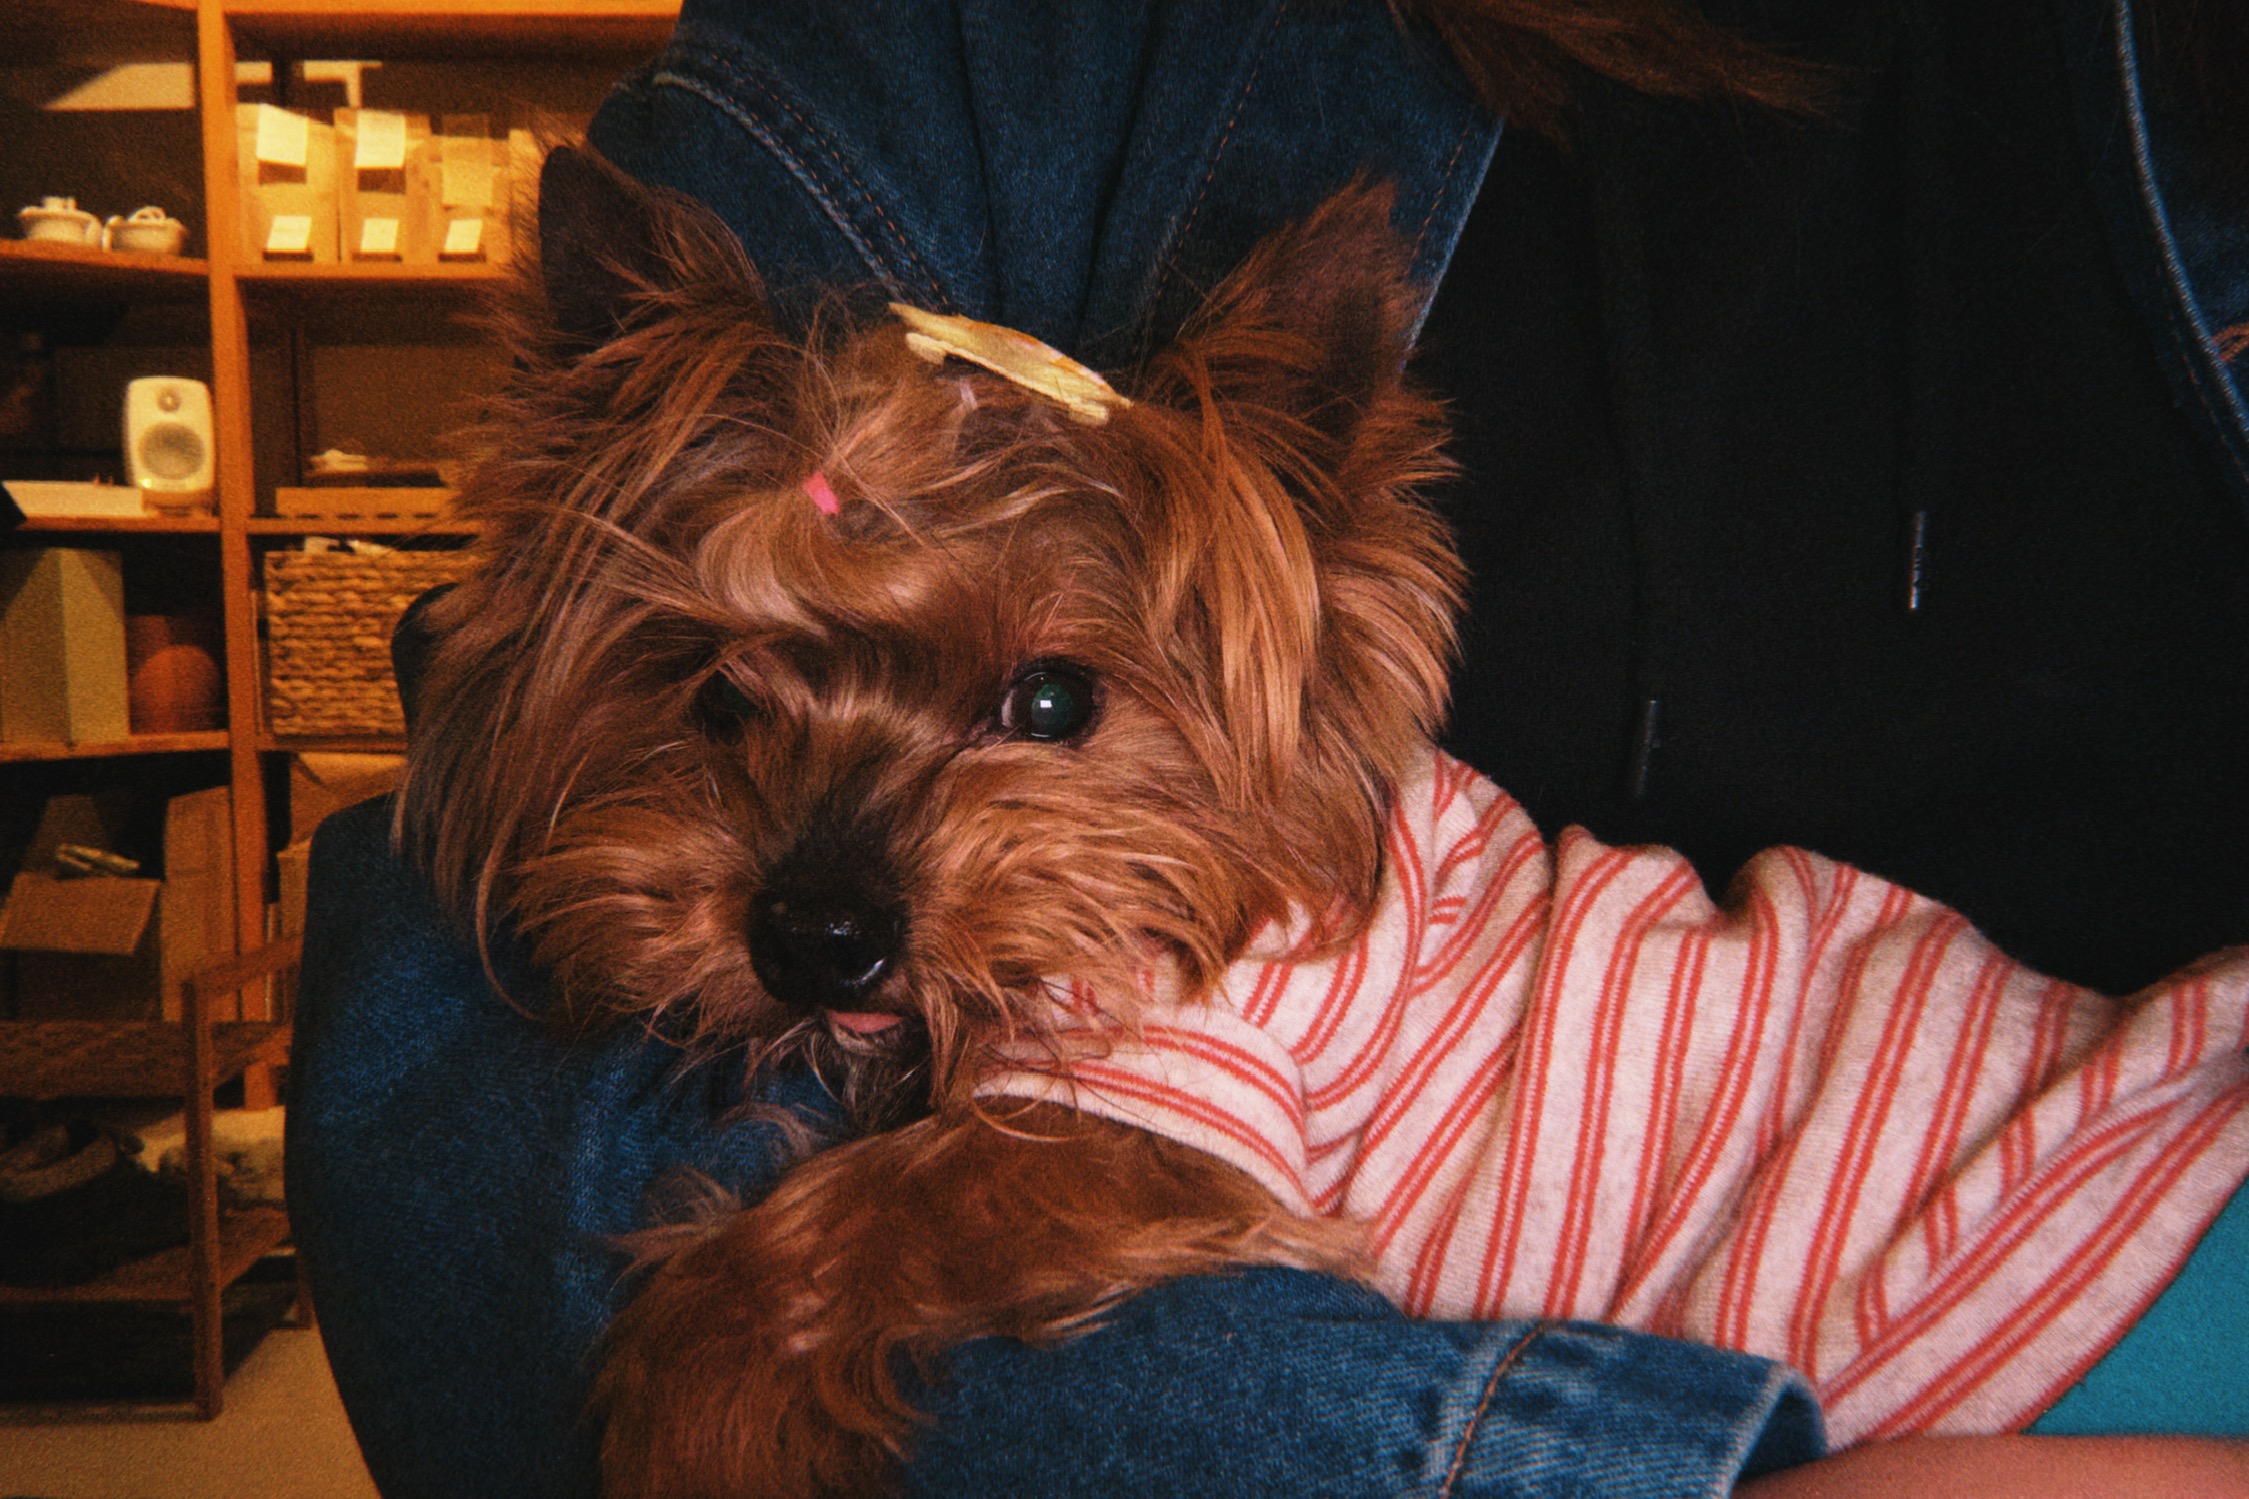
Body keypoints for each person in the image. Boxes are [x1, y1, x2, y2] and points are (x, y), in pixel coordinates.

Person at [287, 0, 2249, 1493]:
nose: (841, 875)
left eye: (1042, 708)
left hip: (2059, 1245)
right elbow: (438, 1068)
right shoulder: (964, 58)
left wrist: (769, 1307)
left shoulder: (1221, 976)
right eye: (738, 697)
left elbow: (1110, 1194)